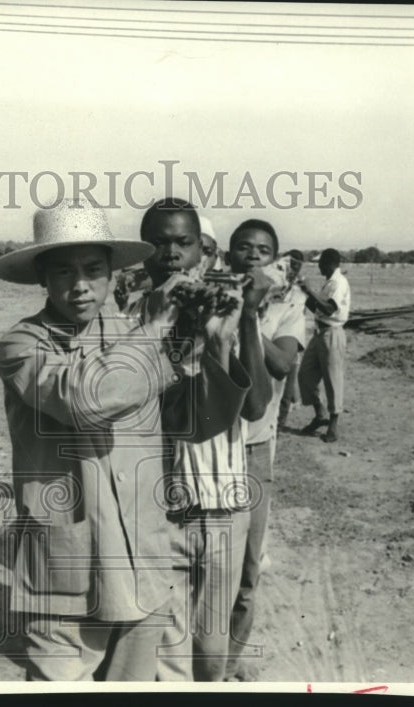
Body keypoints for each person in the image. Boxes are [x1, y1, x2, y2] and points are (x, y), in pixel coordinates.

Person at [0, 201, 249, 681]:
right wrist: (155, 329)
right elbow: (85, 398)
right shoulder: (22, 345)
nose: (80, 285)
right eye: (64, 272)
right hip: (64, 573)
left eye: (93, 269)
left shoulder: (131, 334)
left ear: (112, 275)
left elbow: (194, 423)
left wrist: (217, 344)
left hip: (143, 562)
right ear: (42, 279)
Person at [134, 198, 272, 682]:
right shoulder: (133, 313)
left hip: (223, 506)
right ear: (144, 252)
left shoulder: (223, 305)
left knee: (211, 655)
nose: (171, 253)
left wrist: (244, 322)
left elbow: (255, 408)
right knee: (166, 658)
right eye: (159, 243)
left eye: (183, 243)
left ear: (202, 251)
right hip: (160, 513)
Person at [221, 223, 306, 681]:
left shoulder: (289, 302)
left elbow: (282, 363)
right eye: (244, 248)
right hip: (207, 447)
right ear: (228, 253)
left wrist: (250, 314)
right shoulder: (206, 293)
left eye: (264, 250)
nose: (253, 256)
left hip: (253, 447)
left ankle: (228, 662)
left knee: (248, 569)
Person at [297, 247, 351, 443]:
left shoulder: (338, 282)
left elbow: (329, 309)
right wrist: (304, 293)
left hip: (332, 333)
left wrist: (310, 290)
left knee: (332, 380)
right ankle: (320, 414)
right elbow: (317, 308)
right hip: (320, 333)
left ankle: (333, 426)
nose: (318, 266)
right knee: (305, 375)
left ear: (329, 263)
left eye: (320, 263)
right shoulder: (329, 282)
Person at [274, 250, 309, 430]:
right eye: (292, 264)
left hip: (293, 345)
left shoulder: (300, 288)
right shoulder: (276, 284)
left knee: (287, 392)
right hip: (277, 345)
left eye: (297, 265)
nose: (293, 268)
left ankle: (280, 425)